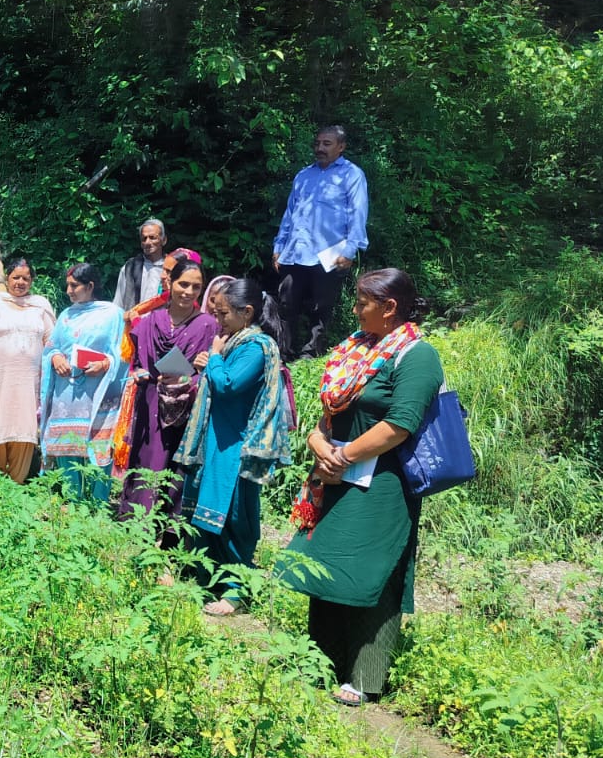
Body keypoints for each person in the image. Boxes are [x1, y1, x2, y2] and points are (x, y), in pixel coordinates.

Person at [280, 269, 444, 707]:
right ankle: (321, 661)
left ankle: (365, 676)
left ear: (389, 308)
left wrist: (344, 456)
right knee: (325, 567)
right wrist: (321, 450)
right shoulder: (355, 351)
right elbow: (324, 420)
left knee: (374, 576)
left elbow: (400, 425)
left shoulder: (417, 356)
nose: (354, 309)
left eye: (362, 302)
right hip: (334, 478)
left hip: (381, 486)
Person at [171, 278, 293, 615]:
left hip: (237, 444)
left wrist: (213, 359)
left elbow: (227, 385)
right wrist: (211, 361)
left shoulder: (256, 346)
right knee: (206, 512)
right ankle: (206, 580)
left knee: (234, 516)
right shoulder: (234, 342)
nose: (218, 320)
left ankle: (237, 592)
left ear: (247, 312)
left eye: (223, 313)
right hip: (217, 440)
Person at [118, 255, 219, 523]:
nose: (188, 292)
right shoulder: (151, 320)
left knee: (174, 467)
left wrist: (199, 371)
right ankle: (135, 524)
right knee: (145, 461)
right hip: (150, 399)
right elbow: (138, 360)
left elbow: (210, 372)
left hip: (185, 406)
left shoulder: (208, 325)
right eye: (183, 284)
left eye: (196, 287)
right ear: (170, 283)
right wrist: (140, 371)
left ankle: (167, 530)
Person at [272, 125, 368, 360]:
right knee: (286, 304)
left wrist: (350, 250)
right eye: (317, 143)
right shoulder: (304, 175)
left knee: (321, 307)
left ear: (341, 147)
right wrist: (278, 247)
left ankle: (311, 353)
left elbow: (358, 213)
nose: (320, 148)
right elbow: (290, 213)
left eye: (327, 144)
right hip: (295, 252)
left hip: (329, 255)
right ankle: (285, 352)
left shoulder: (352, 175)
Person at [40, 263, 129, 503]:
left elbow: (124, 352)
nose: (69, 290)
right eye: (67, 285)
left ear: (90, 286)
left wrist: (105, 364)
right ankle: (73, 502)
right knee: (68, 449)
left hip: (99, 393)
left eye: (74, 285)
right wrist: (56, 357)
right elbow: (52, 346)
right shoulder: (66, 315)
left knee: (99, 449)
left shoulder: (112, 314)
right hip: (66, 393)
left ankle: (98, 506)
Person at [0, 256, 54, 483]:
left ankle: (17, 483)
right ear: (7, 278)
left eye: (25, 278)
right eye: (15, 277)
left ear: (32, 281)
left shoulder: (41, 306)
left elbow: (53, 342)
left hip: (30, 384)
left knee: (25, 430)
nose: (20, 282)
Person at [113, 218, 169, 312]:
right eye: (144, 239)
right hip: (134, 323)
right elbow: (118, 303)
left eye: (152, 237)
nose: (147, 242)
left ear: (163, 240)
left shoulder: (173, 267)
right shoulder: (130, 268)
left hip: (164, 323)